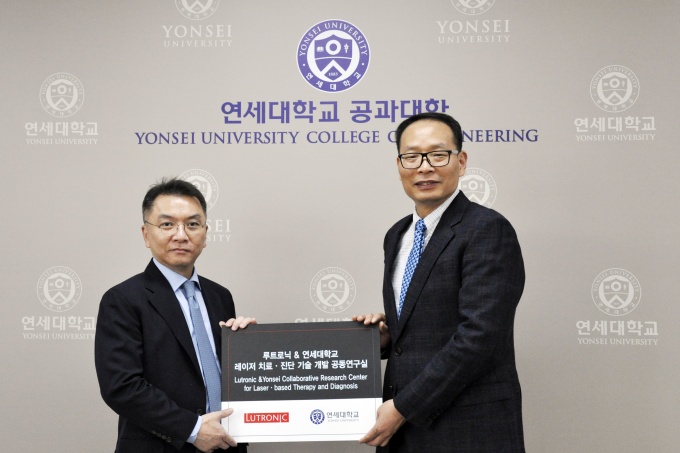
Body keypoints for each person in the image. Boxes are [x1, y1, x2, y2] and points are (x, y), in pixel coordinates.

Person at [354, 112, 526, 452]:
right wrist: (387, 337)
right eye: (412, 156)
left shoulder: (487, 229)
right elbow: (422, 326)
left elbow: (480, 336)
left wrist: (403, 408)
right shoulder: (397, 235)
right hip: (404, 433)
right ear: (399, 165)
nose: (424, 167)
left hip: (468, 429)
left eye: (437, 154)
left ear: (461, 162)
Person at [95, 178, 254, 453]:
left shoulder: (220, 296)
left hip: (226, 445)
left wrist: (247, 345)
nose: (181, 235)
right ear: (146, 234)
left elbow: (223, 375)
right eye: (167, 224)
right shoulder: (122, 299)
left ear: (205, 233)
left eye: (192, 224)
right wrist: (193, 429)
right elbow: (121, 387)